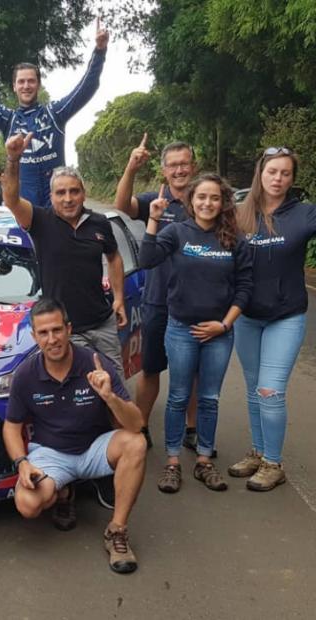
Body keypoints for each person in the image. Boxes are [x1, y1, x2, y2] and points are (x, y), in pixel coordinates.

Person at [230, 142, 316, 491]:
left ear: (292, 179)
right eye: (272, 171)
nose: (278, 178)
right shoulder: (239, 214)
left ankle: (273, 464)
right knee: (253, 389)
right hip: (246, 318)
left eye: (285, 173)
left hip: (285, 317)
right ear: (260, 173)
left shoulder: (304, 214)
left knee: (270, 391)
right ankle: (258, 452)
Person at [2, 298, 147, 574]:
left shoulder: (96, 363)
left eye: (57, 330)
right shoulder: (25, 374)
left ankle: (117, 531)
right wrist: (21, 462)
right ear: (34, 336)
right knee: (27, 504)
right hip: (51, 453)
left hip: (95, 448)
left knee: (136, 444)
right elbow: (11, 426)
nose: (52, 339)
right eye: (44, 333)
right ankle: (65, 491)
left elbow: (136, 424)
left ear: (68, 329)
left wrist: (110, 397)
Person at [138, 174, 252, 493]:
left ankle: (204, 460)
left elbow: (245, 287)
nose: (207, 203)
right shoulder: (176, 232)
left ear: (223, 202)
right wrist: (153, 220)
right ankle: (172, 463)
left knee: (209, 399)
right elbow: (147, 259)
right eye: (201, 197)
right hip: (181, 329)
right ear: (191, 200)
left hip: (219, 333)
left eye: (214, 197)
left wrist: (224, 325)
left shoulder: (234, 238)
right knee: (177, 397)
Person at [0, 132, 127, 377]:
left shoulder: (99, 223)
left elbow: (114, 257)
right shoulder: (39, 220)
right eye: (60, 193)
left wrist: (119, 298)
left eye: (74, 191)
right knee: (79, 392)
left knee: (115, 388)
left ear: (84, 193)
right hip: (64, 331)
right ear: (51, 197)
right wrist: (13, 160)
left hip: (103, 324)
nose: (68, 199)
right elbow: (12, 199)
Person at [0, 21, 107, 207]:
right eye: (21, 82)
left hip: (58, 209)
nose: (26, 86)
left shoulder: (55, 113)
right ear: (14, 86)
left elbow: (86, 88)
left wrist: (100, 51)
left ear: (38, 84)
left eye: (31, 81)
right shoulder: (7, 119)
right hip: (25, 211)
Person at [114, 135, 201, 449]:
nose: (179, 170)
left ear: (193, 166)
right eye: (173, 165)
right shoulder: (156, 200)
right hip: (157, 299)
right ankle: (141, 426)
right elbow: (121, 206)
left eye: (184, 164)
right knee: (150, 368)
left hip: (197, 302)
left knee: (193, 371)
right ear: (164, 171)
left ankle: (192, 430)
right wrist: (131, 168)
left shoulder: (206, 199)